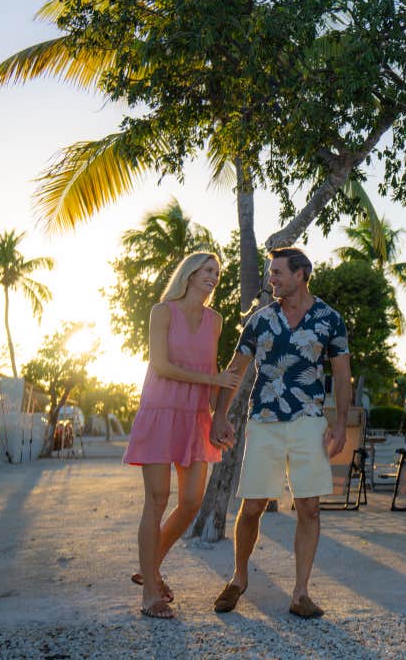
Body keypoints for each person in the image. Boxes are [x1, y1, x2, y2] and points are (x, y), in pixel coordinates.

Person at [210, 246, 351, 619]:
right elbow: (235, 370)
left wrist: (340, 424)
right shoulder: (259, 320)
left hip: (309, 421)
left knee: (310, 507)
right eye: (270, 273)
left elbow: (341, 375)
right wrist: (219, 415)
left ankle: (300, 593)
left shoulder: (329, 319)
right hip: (265, 420)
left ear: (301, 274)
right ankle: (239, 578)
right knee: (253, 505)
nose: (271, 279)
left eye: (277, 273)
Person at [123, 252, 240, 619]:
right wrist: (212, 380)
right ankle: (150, 596)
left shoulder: (215, 321)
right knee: (156, 499)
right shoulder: (163, 311)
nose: (214, 277)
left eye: (217, 273)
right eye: (208, 270)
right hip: (160, 411)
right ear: (189, 273)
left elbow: (212, 368)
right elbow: (161, 364)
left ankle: (150, 567)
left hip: (194, 416)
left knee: (191, 501)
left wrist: (219, 419)